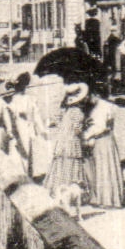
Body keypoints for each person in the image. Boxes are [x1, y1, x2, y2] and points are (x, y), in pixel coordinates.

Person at [44, 81, 89, 212]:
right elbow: (77, 130)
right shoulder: (78, 113)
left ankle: (58, 192)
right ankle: (70, 194)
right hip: (72, 141)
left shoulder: (66, 111)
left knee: (60, 164)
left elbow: (56, 119)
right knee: (72, 164)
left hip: (62, 141)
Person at [82, 90, 125, 209]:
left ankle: (107, 200)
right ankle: (109, 198)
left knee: (104, 169)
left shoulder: (101, 108)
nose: (88, 99)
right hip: (107, 139)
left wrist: (85, 136)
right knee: (107, 168)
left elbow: (99, 127)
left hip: (102, 140)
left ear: (96, 94)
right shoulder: (106, 106)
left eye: (90, 96)